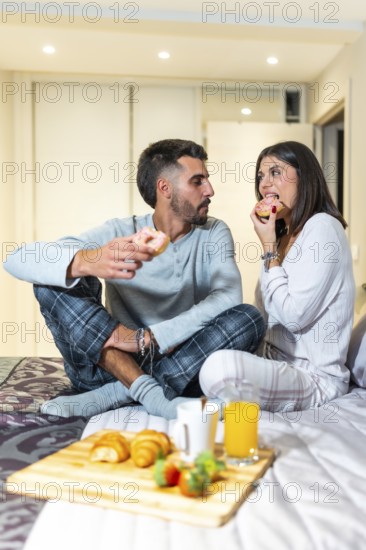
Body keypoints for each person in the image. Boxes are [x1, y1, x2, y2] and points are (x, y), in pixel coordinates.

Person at [3, 138, 265, 418]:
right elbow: (17, 259)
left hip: (178, 363)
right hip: (105, 366)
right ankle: (151, 393)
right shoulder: (121, 231)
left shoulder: (214, 233)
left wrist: (148, 338)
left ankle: (122, 393)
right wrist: (89, 261)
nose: (210, 190)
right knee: (54, 279)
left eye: (207, 180)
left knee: (249, 317)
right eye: (198, 181)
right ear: (164, 188)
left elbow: (228, 297)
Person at [198, 140, 355, 412]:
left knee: (216, 368)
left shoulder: (323, 228)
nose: (264, 185)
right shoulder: (281, 235)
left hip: (315, 377)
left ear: (304, 178)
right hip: (272, 360)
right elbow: (265, 313)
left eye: (275, 172)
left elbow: (293, 317)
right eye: (260, 176)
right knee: (203, 349)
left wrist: (268, 248)